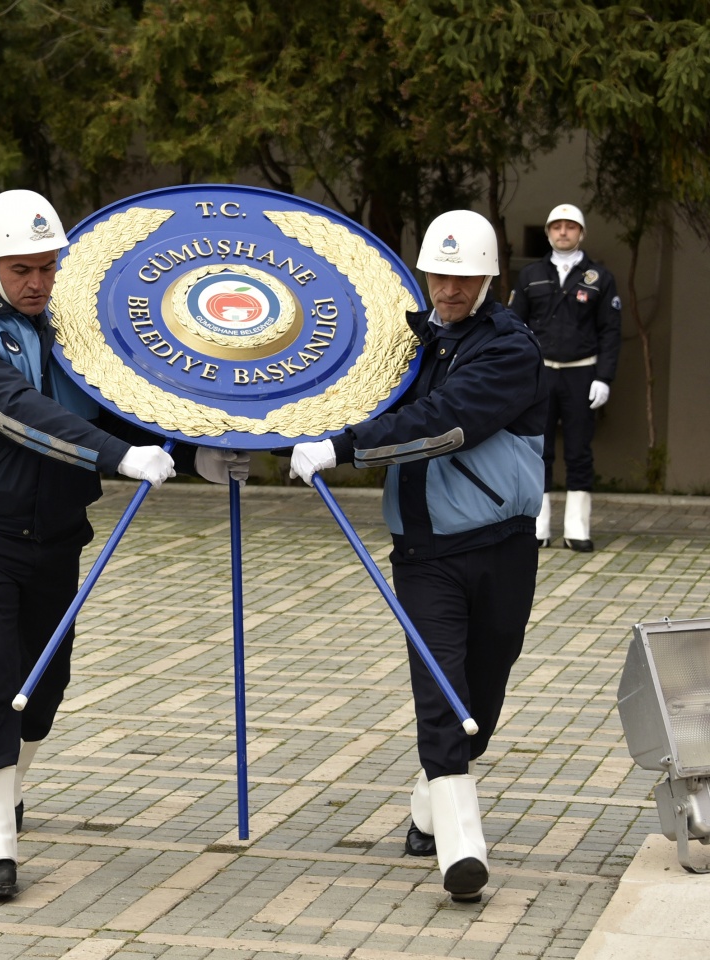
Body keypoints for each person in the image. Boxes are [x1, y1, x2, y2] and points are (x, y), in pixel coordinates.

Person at [0, 189, 246, 900]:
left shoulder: (77, 333)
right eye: (22, 269)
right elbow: (21, 415)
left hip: (58, 538)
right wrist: (115, 459)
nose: (38, 282)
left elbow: (126, 407)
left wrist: (194, 455)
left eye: (48, 267)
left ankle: (8, 789)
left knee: (44, 685)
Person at [287, 210, 547, 903]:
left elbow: (445, 423)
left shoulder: (511, 349)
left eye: (462, 276)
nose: (448, 288)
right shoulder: (408, 345)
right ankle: (464, 850)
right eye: (438, 273)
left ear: (488, 276)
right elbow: (333, 373)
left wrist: (343, 449)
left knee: (480, 699)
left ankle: (431, 802)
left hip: (502, 545)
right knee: (441, 689)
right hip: (424, 548)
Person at [509, 203, 620, 551]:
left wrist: (604, 377)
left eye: (570, 227)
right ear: (547, 233)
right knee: (536, 450)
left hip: (581, 374)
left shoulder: (600, 278)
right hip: (540, 376)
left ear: (581, 233)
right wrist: (518, 374)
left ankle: (577, 529)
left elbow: (610, 332)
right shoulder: (530, 276)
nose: (563, 232)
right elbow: (514, 329)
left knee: (578, 450)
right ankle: (538, 527)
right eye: (556, 226)